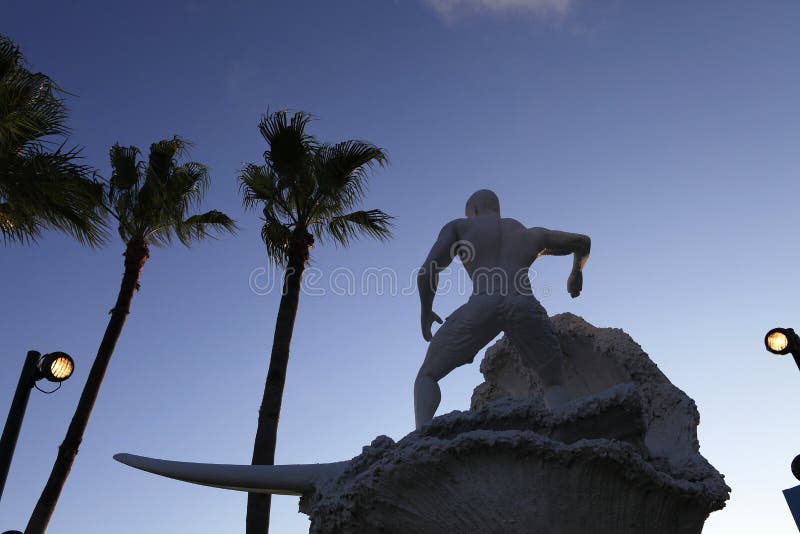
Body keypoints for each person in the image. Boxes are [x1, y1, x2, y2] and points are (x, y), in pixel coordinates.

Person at [414, 189, 591, 430]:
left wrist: (426, 310)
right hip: (523, 304)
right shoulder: (532, 235)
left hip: (482, 304)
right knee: (553, 383)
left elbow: (427, 271)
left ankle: (422, 436)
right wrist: (576, 274)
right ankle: (567, 431)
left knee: (428, 375)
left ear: (474, 211)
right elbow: (582, 242)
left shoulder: (461, 228)